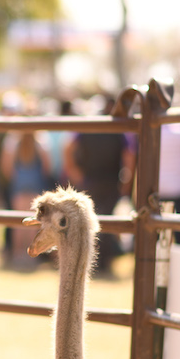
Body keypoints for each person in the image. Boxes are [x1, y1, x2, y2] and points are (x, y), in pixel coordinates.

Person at [63, 98, 136, 278]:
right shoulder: (119, 130)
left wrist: (75, 173)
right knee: (106, 221)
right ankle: (102, 262)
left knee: (91, 221)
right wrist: (126, 180)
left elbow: (68, 149)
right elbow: (130, 156)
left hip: (91, 181)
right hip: (110, 182)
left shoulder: (89, 127)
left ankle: (93, 263)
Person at [0, 128, 51, 267]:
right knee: (33, 222)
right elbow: (47, 165)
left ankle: (17, 253)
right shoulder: (40, 141)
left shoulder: (13, 142)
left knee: (19, 222)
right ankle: (31, 254)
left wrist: (14, 178)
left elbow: (6, 165)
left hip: (19, 185)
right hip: (35, 184)